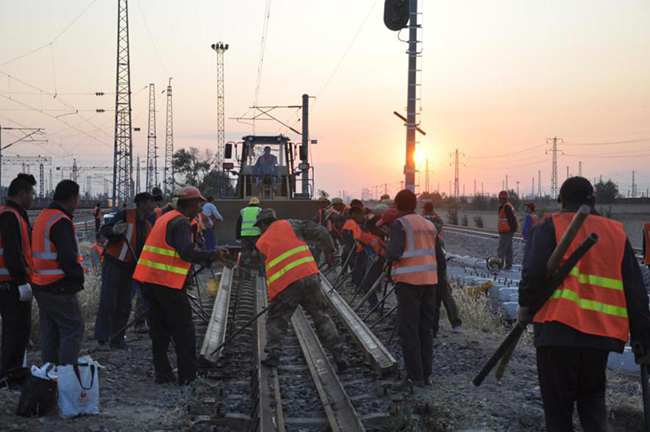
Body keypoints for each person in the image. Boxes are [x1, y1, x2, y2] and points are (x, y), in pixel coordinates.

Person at [518, 177, 650, 432]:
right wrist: (643, 339)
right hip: (599, 337)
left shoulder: (548, 227)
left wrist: (525, 308)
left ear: (561, 201)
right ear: (593, 200)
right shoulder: (615, 233)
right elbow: (635, 291)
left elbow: (532, 274)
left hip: (556, 332)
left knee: (558, 414)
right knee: (592, 403)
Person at [133, 186, 226, 385]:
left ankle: (163, 375)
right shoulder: (181, 223)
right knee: (183, 330)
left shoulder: (165, 218)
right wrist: (212, 254)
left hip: (149, 281)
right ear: (190, 204)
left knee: (159, 331)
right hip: (166, 283)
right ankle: (188, 377)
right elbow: (185, 252)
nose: (200, 207)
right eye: (198, 203)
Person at [254, 208, 348, 371]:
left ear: (262, 224)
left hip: (286, 284)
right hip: (309, 276)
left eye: (259, 226)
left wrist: (274, 297)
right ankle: (338, 354)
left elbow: (267, 272)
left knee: (277, 318)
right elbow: (321, 231)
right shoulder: (292, 225)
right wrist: (329, 251)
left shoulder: (261, 242)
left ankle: (273, 356)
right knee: (322, 316)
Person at [385, 189, 446, 391]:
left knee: (408, 330)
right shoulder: (429, 225)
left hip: (409, 283)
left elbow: (393, 252)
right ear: (415, 204)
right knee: (424, 329)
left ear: (397, 206)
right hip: (430, 282)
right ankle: (426, 375)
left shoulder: (400, 224)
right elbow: (439, 255)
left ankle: (414, 378)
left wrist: (387, 250)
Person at [32, 180, 85, 366]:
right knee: (72, 329)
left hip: (40, 284)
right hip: (59, 285)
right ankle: (67, 376)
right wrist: (78, 277)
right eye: (78, 198)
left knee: (50, 332)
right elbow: (68, 258)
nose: (78, 202)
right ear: (71, 199)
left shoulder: (44, 216)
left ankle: (49, 376)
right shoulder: (61, 221)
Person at [94, 192, 156, 350]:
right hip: (114, 263)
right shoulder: (124, 215)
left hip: (131, 268)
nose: (153, 206)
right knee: (108, 301)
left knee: (124, 304)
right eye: (150, 203)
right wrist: (114, 230)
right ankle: (102, 339)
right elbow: (104, 231)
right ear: (141, 204)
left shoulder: (147, 225)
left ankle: (117, 339)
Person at [0, 174, 36, 388]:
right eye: (31, 193)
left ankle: (8, 374)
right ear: (22, 193)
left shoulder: (13, 215)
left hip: (10, 281)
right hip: (10, 283)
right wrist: (21, 280)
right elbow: (13, 252)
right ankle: (9, 378)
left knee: (14, 331)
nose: (33, 197)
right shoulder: (10, 216)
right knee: (17, 331)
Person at [236, 197, 262, 267]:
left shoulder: (243, 211)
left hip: (244, 236)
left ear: (249, 203)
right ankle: (261, 272)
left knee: (245, 255)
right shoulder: (259, 210)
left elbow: (238, 224)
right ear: (257, 203)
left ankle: (246, 272)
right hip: (256, 236)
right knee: (260, 254)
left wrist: (237, 236)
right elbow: (262, 224)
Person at [497, 190, 518, 270]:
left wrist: (512, 229)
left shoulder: (506, 206)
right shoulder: (507, 205)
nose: (499, 200)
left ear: (502, 198)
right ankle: (508, 266)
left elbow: (511, 219)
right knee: (509, 249)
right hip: (508, 231)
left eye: (500, 198)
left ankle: (498, 265)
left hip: (506, 231)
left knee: (502, 248)